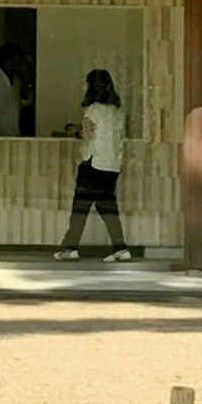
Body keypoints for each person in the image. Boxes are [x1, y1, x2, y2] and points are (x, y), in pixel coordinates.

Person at [58, 67, 133, 260]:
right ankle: (120, 248)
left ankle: (70, 248)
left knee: (81, 207)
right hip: (112, 164)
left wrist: (73, 131)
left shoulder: (93, 109)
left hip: (93, 162)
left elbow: (86, 133)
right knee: (107, 206)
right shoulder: (118, 111)